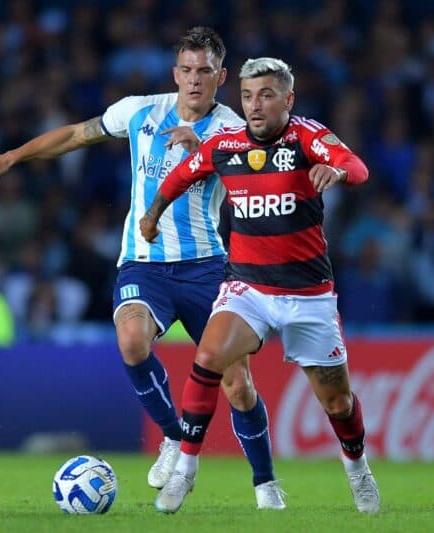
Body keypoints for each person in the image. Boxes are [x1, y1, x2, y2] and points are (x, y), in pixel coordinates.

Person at [0, 28, 283, 508]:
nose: (195, 80)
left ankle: (266, 484)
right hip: (144, 263)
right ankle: (175, 439)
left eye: (205, 71)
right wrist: (12, 156)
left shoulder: (233, 129)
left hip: (208, 269)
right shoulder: (140, 110)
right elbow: (78, 134)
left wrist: (206, 152)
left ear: (221, 77)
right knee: (132, 340)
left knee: (238, 384)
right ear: (174, 72)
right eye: (186, 69)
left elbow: (264, 169)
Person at [140, 57, 381, 514]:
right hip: (247, 288)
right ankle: (185, 471)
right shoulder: (225, 146)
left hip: (308, 294)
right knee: (208, 356)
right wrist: (152, 216)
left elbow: (357, 166)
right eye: (248, 96)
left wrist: (339, 172)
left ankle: (357, 468)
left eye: (266, 95)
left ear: (287, 99)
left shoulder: (307, 137)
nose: (255, 105)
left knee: (338, 401)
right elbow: (181, 174)